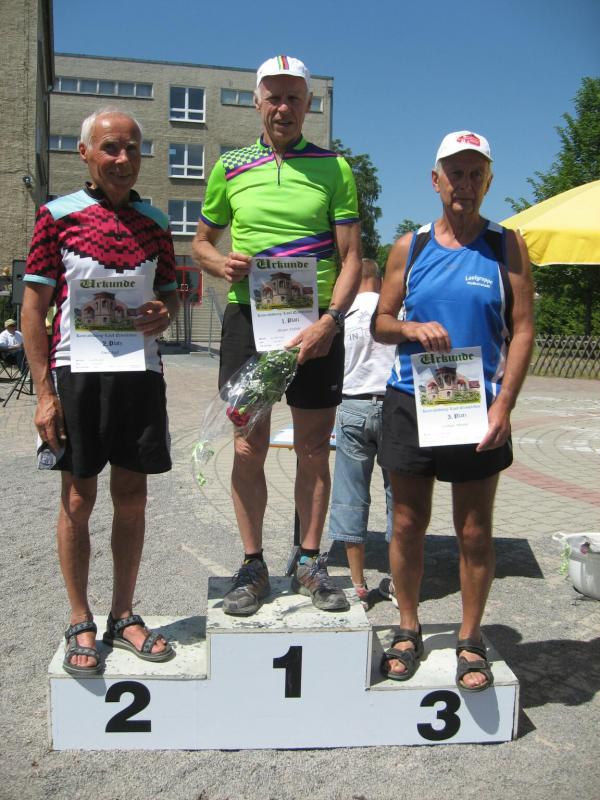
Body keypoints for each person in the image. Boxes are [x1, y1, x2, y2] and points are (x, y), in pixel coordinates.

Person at [192, 55, 362, 616]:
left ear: (308, 103)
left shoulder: (335, 168)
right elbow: (201, 243)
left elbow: (352, 257)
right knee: (248, 445)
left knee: (314, 447)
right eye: (274, 96)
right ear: (257, 101)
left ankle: (310, 560)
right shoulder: (230, 166)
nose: (283, 107)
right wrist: (220, 264)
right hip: (249, 320)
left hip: (315, 324)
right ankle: (252, 563)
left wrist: (331, 322)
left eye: (294, 97)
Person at [373, 131, 534, 690]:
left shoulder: (507, 246)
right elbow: (380, 323)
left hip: (476, 406)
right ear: (435, 180)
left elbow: (523, 329)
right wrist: (411, 328)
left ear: (488, 182)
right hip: (410, 400)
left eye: (475, 174)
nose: (465, 184)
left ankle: (469, 639)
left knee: (474, 531)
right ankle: (407, 627)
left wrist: (504, 404)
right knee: (407, 523)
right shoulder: (410, 246)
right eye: (455, 173)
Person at [21, 107, 180, 676]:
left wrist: (166, 310)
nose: (122, 158)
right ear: (85, 152)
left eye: (132, 148)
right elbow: (34, 308)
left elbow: (170, 294)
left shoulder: (156, 221)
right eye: (111, 147)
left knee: (132, 498)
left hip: (140, 372)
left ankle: (123, 614)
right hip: (78, 374)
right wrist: (44, 393)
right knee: (77, 499)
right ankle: (79, 619)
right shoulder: (56, 216)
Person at [328, 258, 395, 608]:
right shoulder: (395, 311)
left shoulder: (340, 317)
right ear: (380, 280)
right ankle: (399, 581)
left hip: (353, 406)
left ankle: (358, 585)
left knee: (350, 495)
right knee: (399, 496)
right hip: (395, 408)